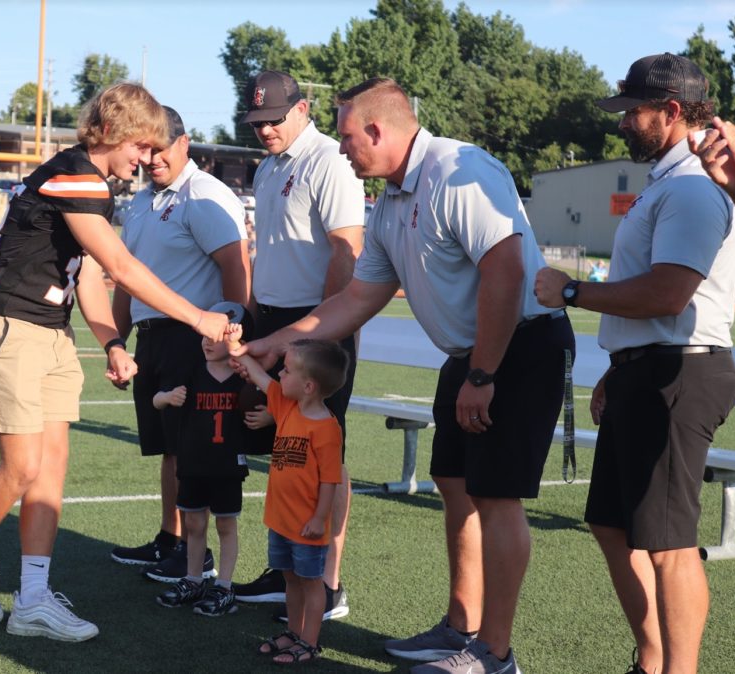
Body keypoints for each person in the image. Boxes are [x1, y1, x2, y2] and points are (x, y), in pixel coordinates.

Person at [235, 77, 574, 674]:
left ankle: (494, 654)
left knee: (496, 498)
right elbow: (358, 298)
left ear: (377, 130)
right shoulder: (390, 199)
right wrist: (276, 342)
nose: (340, 149)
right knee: (454, 483)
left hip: (515, 349)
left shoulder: (457, 169)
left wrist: (485, 373)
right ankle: (459, 627)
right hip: (471, 356)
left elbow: (504, 269)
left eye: (345, 137)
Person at [0, 83, 231, 644]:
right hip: (11, 327)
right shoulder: (75, 173)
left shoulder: (93, 183)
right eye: (142, 146)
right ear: (116, 133)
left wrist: (112, 343)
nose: (145, 159)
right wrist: (199, 318)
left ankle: (33, 599)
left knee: (50, 473)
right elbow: (119, 263)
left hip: (51, 332)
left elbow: (91, 273)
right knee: (22, 467)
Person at [536, 53, 735, 674]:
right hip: (647, 368)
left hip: (681, 372)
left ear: (672, 111)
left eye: (634, 111)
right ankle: (651, 661)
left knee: (670, 545)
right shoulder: (670, 182)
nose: (623, 123)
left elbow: (667, 293)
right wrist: (618, 365)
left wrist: (572, 292)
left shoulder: (692, 189)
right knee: (609, 524)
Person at [231, 70, 364, 623]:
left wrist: (324, 329)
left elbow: (346, 250)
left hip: (317, 321)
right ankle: (290, 569)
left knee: (322, 449)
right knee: (287, 448)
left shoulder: (328, 160)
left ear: (303, 109)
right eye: (257, 121)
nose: (264, 130)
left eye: (274, 119)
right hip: (279, 320)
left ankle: (328, 582)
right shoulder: (269, 167)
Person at [108, 106, 251, 582]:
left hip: (194, 339)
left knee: (189, 449)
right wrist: (116, 340)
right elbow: (127, 279)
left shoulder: (205, 195)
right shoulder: (141, 200)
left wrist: (234, 331)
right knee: (169, 448)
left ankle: (196, 553)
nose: (151, 158)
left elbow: (236, 266)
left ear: (185, 143)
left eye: (161, 147)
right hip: (153, 339)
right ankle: (171, 540)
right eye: (144, 149)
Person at [228, 328, 346, 665]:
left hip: (307, 526)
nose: (280, 373)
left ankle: (309, 642)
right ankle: (294, 633)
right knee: (290, 581)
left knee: (311, 584)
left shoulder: (326, 429)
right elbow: (257, 372)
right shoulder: (286, 406)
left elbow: (330, 480)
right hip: (280, 521)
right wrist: (234, 345)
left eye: (288, 370)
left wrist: (320, 517)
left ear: (308, 386)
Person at [153, 301, 252, 617]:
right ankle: (193, 579)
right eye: (205, 334)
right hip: (193, 462)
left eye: (218, 335)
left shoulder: (243, 374)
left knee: (226, 524)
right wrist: (168, 398)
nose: (208, 340)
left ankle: (224, 586)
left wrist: (264, 415)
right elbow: (156, 400)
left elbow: (269, 392)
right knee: (193, 523)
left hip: (226, 465)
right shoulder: (191, 369)